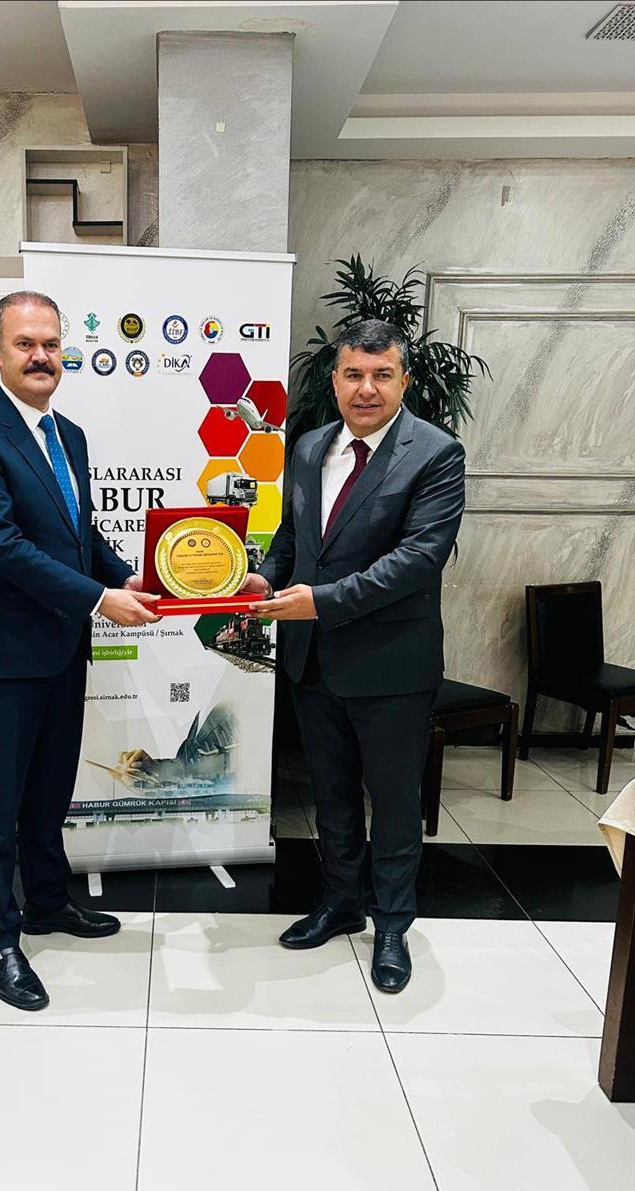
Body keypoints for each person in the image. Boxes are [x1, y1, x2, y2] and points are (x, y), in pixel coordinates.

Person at [0, 290, 159, 1011]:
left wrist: (126, 577)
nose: (41, 356)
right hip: (2, 653)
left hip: (63, 647)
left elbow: (76, 532)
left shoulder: (71, 435)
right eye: (25, 343)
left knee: (50, 792)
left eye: (51, 344)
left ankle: (47, 901)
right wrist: (98, 598)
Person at [246, 318, 465, 993]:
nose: (366, 388)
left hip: (392, 665)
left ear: (405, 380)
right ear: (336, 379)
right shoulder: (310, 446)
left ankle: (393, 924)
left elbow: (418, 559)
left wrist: (321, 601)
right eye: (353, 374)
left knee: (393, 804)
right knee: (332, 796)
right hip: (314, 661)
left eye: (381, 375)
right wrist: (264, 579)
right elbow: (293, 539)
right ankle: (341, 901)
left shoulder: (436, 454)